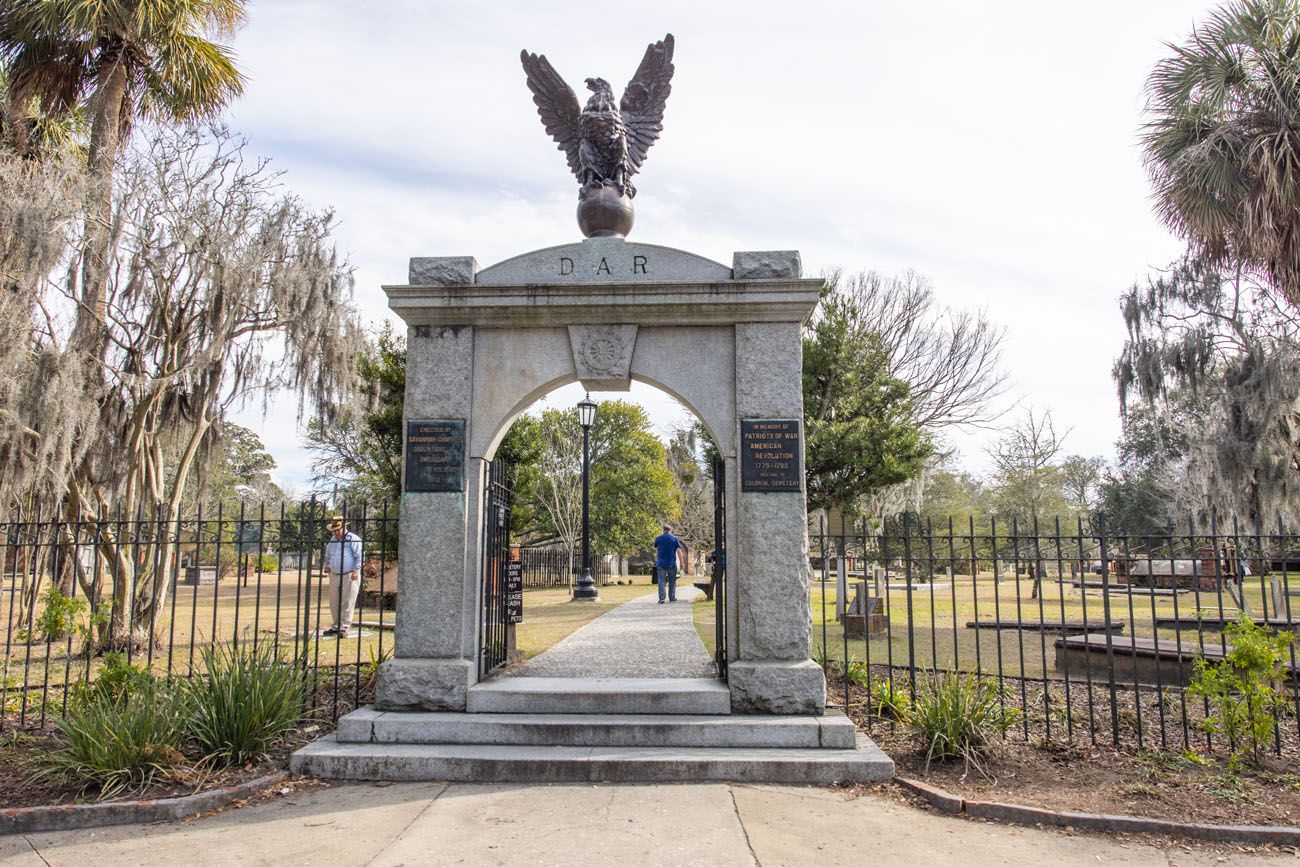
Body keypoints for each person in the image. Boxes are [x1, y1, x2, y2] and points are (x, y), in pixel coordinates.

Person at [322, 515, 363, 638]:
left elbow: (359, 556)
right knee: (334, 601)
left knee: (347, 601)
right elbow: (328, 555)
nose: (336, 532)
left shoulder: (353, 539)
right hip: (334, 573)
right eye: (334, 531)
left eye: (337, 530)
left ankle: (344, 627)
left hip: (349, 574)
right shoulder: (333, 540)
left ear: (343, 528)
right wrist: (327, 565)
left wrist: (356, 570)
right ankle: (335, 626)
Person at [652, 524, 685, 604]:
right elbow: (679, 551)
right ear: (671, 530)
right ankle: (672, 597)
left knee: (661, 581)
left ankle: (662, 598)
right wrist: (681, 562)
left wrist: (656, 559)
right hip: (671, 563)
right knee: (672, 581)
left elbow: (655, 548)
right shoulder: (674, 539)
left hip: (661, 563)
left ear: (663, 530)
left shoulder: (658, 538)